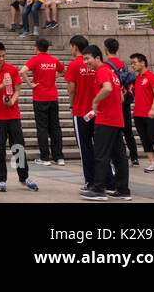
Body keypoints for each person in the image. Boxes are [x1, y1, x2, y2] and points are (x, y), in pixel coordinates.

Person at [0, 41, 38, 192]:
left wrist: (12, 100)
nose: (1, 59)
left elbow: (18, 89)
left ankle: (24, 177)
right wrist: (1, 85)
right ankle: (0, 179)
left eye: (3, 56)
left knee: (18, 146)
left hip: (13, 114)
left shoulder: (12, 69)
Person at [79, 44, 131, 200]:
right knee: (119, 157)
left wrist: (95, 101)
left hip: (106, 119)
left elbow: (107, 89)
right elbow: (121, 97)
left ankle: (99, 189)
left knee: (101, 155)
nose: (85, 62)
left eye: (88, 59)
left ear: (97, 58)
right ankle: (123, 191)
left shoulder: (102, 71)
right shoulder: (112, 73)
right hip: (117, 119)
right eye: (84, 59)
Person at [19, 36, 65, 166]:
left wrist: (30, 84)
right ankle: (59, 157)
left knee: (42, 128)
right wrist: (53, 76)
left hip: (40, 97)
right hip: (53, 97)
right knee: (55, 127)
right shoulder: (53, 60)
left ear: (36, 48)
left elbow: (22, 71)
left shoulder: (35, 59)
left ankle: (45, 158)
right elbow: (63, 71)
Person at [65, 34, 99, 190]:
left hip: (81, 111)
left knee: (85, 148)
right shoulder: (96, 64)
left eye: (71, 46)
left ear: (75, 47)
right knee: (99, 147)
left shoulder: (73, 65)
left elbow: (71, 89)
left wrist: (72, 105)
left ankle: (90, 181)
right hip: (98, 112)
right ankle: (104, 178)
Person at [129, 54, 154, 173]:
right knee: (144, 139)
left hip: (152, 114)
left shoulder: (151, 76)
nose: (133, 65)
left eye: (135, 62)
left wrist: (153, 109)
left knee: (153, 137)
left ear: (143, 63)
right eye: (131, 63)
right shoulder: (136, 79)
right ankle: (153, 163)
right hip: (138, 113)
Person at [103, 37, 138, 166]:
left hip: (113, 100)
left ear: (105, 49)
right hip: (126, 100)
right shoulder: (123, 64)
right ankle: (134, 157)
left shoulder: (106, 65)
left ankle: (117, 157)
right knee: (128, 129)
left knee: (114, 131)